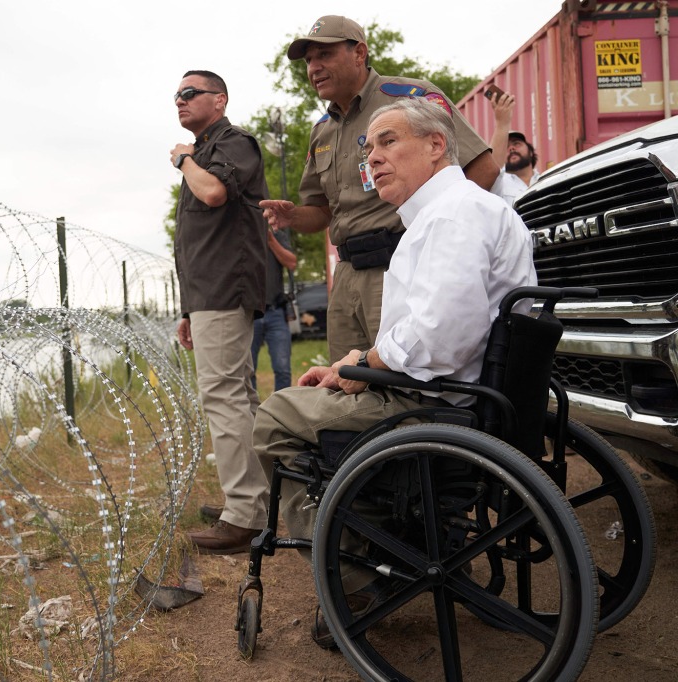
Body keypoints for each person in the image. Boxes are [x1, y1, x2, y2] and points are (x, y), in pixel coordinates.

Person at [254, 98, 537, 630]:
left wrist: (365, 361)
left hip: (438, 406)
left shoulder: (453, 216)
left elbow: (441, 337)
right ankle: (393, 537)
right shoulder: (457, 213)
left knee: (274, 418)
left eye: (388, 141)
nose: (373, 158)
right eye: (368, 148)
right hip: (459, 396)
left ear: (436, 146)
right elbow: (436, 330)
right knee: (312, 396)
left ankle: (361, 577)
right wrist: (355, 369)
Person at [260, 15, 499, 365]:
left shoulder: (411, 100)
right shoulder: (322, 131)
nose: (313, 68)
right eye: (309, 60)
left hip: (401, 265)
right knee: (346, 385)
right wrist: (294, 215)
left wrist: (432, 240)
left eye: (323, 55)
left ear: (359, 53)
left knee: (404, 384)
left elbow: (483, 169)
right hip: (346, 279)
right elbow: (322, 213)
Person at [171, 69, 271, 554]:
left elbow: (213, 193)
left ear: (220, 99)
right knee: (239, 396)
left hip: (225, 290)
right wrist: (189, 309)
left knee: (224, 396)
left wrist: (185, 160)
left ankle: (245, 513)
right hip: (208, 294)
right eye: (176, 96)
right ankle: (255, 499)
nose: (180, 100)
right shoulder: (206, 152)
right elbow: (198, 242)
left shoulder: (233, 144)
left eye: (190, 93)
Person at [250, 226, 297, 393]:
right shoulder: (242, 234)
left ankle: (281, 412)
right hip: (250, 313)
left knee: (283, 368)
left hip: (276, 311)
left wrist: (270, 239)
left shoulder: (277, 236)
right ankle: (252, 413)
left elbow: (291, 262)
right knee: (247, 370)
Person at [488, 89, 541, 205]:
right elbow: (492, 168)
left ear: (531, 152)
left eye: (517, 143)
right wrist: (502, 123)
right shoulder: (499, 184)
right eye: (506, 147)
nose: (511, 148)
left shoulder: (546, 179)